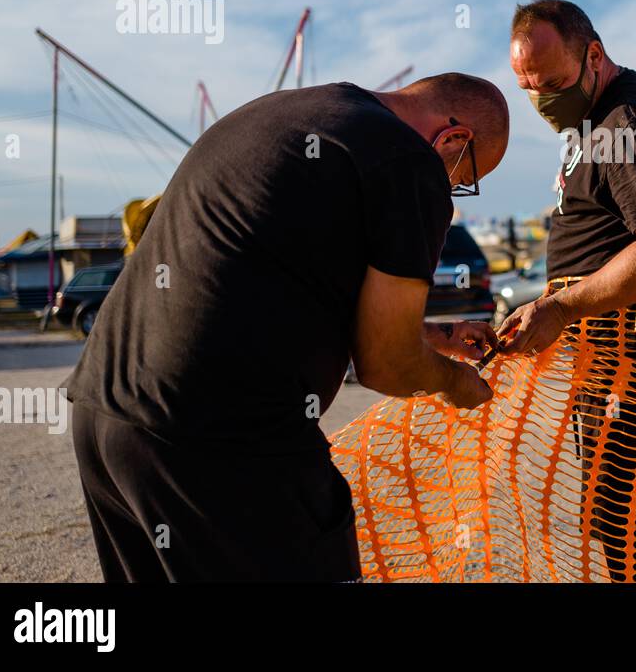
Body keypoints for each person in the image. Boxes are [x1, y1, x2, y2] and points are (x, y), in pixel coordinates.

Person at [65, 74, 508, 582]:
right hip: (218, 436)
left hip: (106, 413)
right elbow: (387, 364)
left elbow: (281, 287)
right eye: (463, 175)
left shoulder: (282, 115)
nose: (452, 186)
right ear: (454, 139)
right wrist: (455, 385)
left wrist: (436, 337)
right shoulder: (407, 160)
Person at [500, 0, 636, 582]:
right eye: (529, 87)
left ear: (594, 54)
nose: (543, 100)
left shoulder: (630, 120)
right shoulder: (595, 118)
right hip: (610, 359)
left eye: (556, 82)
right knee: (618, 528)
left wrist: (561, 306)